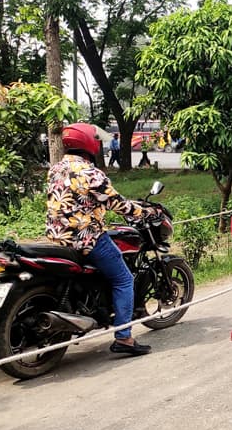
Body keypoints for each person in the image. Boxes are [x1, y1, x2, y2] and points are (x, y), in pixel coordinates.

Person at [46, 123, 157, 355]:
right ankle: (124, 338)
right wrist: (143, 212)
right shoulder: (90, 172)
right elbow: (116, 203)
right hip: (87, 238)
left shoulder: (56, 168)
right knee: (124, 280)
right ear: (88, 143)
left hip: (58, 238)